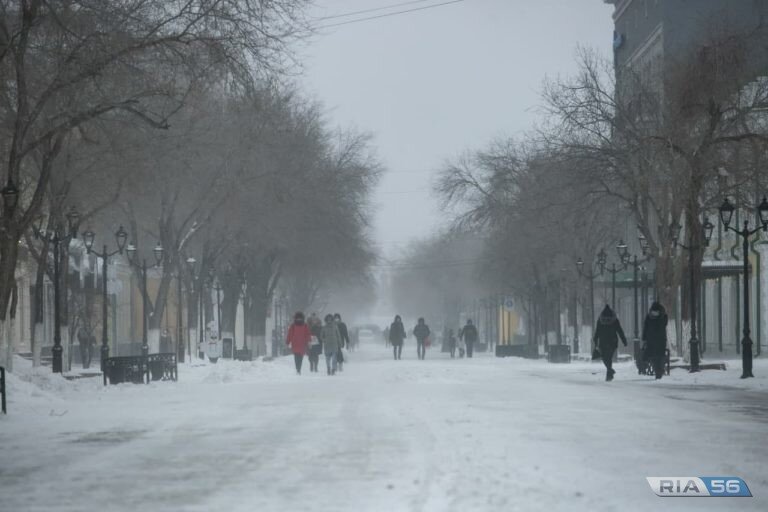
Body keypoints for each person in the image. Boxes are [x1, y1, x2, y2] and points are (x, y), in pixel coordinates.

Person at [593, 305, 627, 381]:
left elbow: (597, 331)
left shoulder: (600, 320)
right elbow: (620, 331)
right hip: (612, 341)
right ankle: (610, 372)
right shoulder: (614, 320)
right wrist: (624, 340)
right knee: (608, 357)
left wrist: (595, 339)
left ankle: (609, 373)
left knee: (605, 358)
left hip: (603, 342)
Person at [642, 302, 668, 380]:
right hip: (661, 339)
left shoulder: (649, 316)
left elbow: (645, 328)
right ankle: (660, 370)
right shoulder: (663, 316)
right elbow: (665, 324)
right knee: (660, 355)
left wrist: (644, 338)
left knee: (654, 356)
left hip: (651, 339)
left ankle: (657, 371)